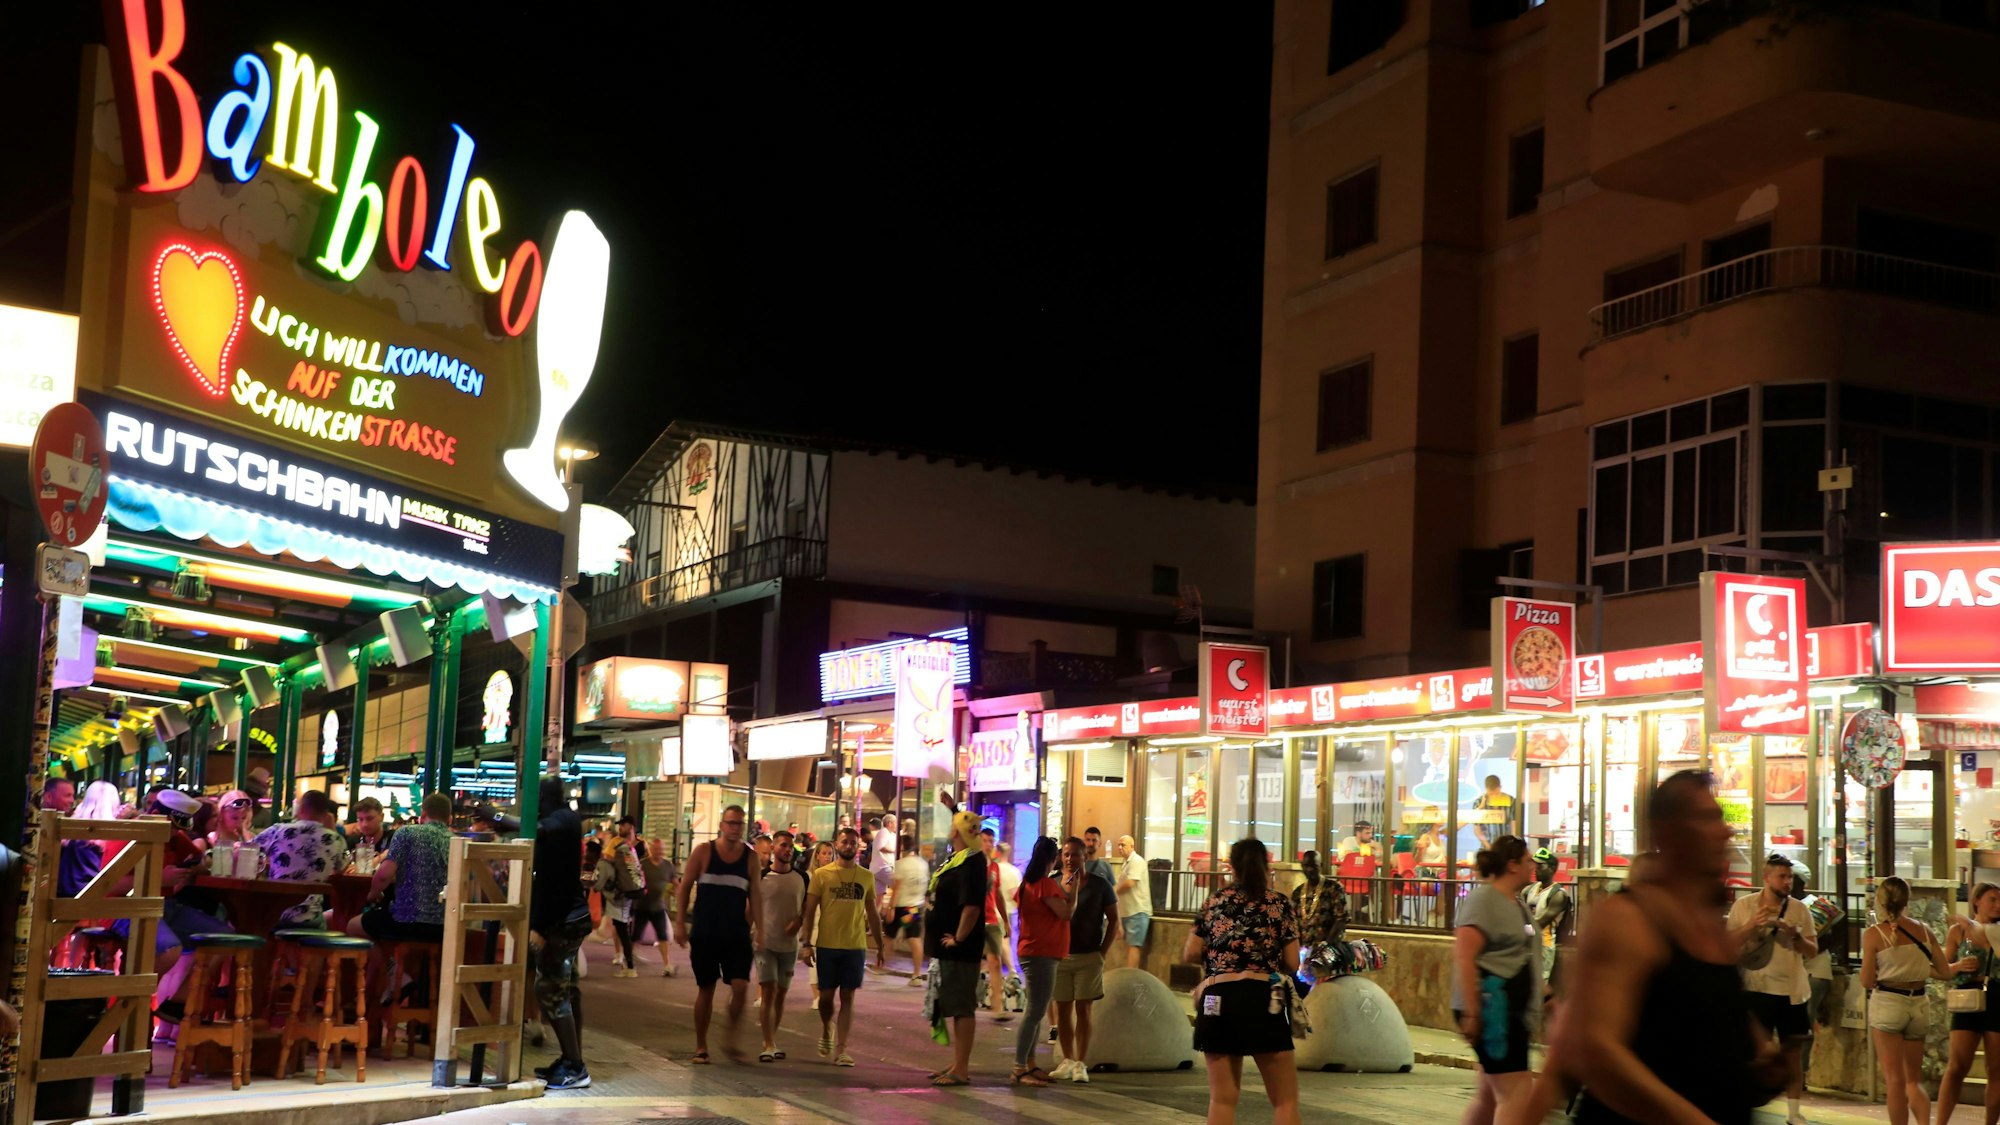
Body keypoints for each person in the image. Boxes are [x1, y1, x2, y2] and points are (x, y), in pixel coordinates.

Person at [1561, 772, 1771, 1124]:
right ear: (1668, 832)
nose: (1725, 832)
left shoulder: (1706, 921)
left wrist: (1762, 1067)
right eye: (1707, 818)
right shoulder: (1628, 919)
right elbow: (1600, 1052)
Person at [1185, 837, 1302, 1125]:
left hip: (1217, 999)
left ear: (1231, 867)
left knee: (1222, 1099)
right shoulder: (1278, 903)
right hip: (1262, 999)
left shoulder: (1214, 902)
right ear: (1266, 866)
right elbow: (1293, 962)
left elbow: (1190, 953)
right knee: (1284, 1100)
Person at [1453, 835, 1541, 1125]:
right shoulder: (1484, 900)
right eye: (1528, 860)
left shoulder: (1517, 904)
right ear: (1513, 865)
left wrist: (1548, 997)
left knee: (1490, 1096)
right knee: (1517, 1092)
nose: (1533, 865)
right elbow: (1465, 956)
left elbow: (1523, 956)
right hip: (1494, 1011)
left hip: (1510, 1011)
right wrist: (1472, 1012)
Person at [1725, 853, 1817, 1125]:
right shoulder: (1744, 905)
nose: (1788, 882)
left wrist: (1795, 935)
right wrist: (1752, 925)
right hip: (1756, 988)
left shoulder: (1800, 910)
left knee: (1792, 1053)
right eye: (1782, 876)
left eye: (1790, 877)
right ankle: (1747, 1106)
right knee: (1754, 1054)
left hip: (1791, 991)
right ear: (1767, 878)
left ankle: (1794, 1112)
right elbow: (1728, 945)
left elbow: (1812, 950)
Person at [1864, 875, 1953, 1125]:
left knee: (1895, 1081)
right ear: (1907, 900)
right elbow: (1945, 972)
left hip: (1889, 1003)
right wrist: (1918, 969)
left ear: (1881, 901)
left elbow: (1866, 980)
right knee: (1914, 1080)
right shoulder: (1924, 931)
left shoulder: (1873, 934)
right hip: (1919, 1004)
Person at [677, 803, 762, 1064]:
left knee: (741, 985)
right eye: (731, 823)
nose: (735, 828)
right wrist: (679, 923)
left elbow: (756, 896)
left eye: (739, 824)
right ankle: (701, 1046)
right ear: (722, 825)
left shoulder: (751, 858)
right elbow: (684, 886)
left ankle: (730, 1037)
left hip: (736, 932)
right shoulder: (704, 852)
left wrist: (761, 929)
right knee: (706, 988)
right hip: (706, 931)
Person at [528, 775, 592, 1090]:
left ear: (543, 798)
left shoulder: (561, 820)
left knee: (550, 991)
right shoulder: (562, 820)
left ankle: (575, 1066)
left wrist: (540, 927)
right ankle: (571, 1059)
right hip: (569, 916)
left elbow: (551, 887)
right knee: (567, 991)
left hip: (562, 920)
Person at [799, 827, 883, 1067]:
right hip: (827, 945)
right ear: (837, 844)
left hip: (855, 946)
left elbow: (873, 913)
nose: (849, 846)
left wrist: (880, 944)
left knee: (848, 996)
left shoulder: (866, 876)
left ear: (858, 847)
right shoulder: (822, 875)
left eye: (853, 842)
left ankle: (842, 1049)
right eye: (845, 841)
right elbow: (810, 911)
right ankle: (827, 1027)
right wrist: (806, 943)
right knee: (825, 997)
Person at [924, 809, 990, 1087]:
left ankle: (961, 1068)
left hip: (961, 949)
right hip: (948, 949)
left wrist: (959, 939)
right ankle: (957, 1063)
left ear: (955, 832)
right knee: (955, 1005)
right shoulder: (960, 857)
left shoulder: (973, 862)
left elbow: (972, 906)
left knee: (962, 1008)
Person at [1006, 836, 1076, 1086]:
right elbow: (1065, 913)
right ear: (1052, 858)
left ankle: (1030, 1063)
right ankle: (1019, 1067)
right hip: (1041, 954)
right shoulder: (1045, 885)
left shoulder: (1028, 884)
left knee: (1035, 1011)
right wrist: (1074, 890)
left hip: (1033, 951)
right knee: (1035, 1012)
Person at [1054, 836, 1115, 1083]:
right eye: (1066, 854)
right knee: (1062, 1009)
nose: (1070, 859)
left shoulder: (1100, 885)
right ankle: (1067, 1059)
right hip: (1060, 956)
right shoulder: (1054, 883)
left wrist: (1102, 952)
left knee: (1084, 1009)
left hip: (1089, 955)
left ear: (1084, 856)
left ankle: (1080, 1062)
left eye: (1075, 854)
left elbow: (1114, 920)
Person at [1938, 882, 2000, 1125]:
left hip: (1997, 996)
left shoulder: (1994, 931)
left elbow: (1981, 933)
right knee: (1957, 1066)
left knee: (1996, 1069)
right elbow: (1943, 969)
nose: (1997, 905)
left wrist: (1969, 925)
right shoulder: (1958, 931)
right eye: (1992, 899)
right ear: (1976, 901)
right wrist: (1958, 966)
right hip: (1967, 997)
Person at [252, 790, 348, 927]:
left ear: (301, 808)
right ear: (326, 815)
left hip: (274, 914)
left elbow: (247, 850)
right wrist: (332, 829)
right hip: (310, 918)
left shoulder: (278, 831)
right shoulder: (335, 839)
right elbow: (341, 868)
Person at [754, 828, 808, 1061]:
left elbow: (808, 906)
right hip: (765, 943)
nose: (787, 850)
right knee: (769, 991)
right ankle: (767, 1044)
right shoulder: (762, 877)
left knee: (781, 995)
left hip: (789, 946)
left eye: (790, 846)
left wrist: (800, 921)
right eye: (783, 845)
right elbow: (751, 908)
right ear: (773, 848)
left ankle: (771, 1040)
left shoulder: (802, 878)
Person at [979, 829, 1015, 1020]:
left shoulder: (994, 867)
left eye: (990, 841)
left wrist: (1006, 922)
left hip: (991, 919)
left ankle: (998, 1007)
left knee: (995, 961)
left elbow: (999, 895)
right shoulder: (972, 865)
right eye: (985, 840)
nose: (988, 844)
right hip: (974, 919)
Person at [1522, 848, 1573, 985]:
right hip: (1525, 942)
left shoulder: (1558, 894)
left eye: (1540, 866)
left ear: (1552, 868)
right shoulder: (1528, 890)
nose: (1536, 869)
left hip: (1544, 944)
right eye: (1535, 865)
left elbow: (1540, 924)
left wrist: (1519, 930)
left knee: (1539, 984)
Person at [889, 831, 929, 982]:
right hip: (915, 906)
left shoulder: (901, 864)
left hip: (902, 906)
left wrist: (891, 908)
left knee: (888, 936)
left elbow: (896, 888)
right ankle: (916, 973)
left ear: (901, 846)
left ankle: (882, 964)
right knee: (914, 938)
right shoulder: (923, 864)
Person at [635, 838, 678, 977]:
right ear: (650, 849)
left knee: (662, 935)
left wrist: (676, 892)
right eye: (655, 849)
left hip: (658, 906)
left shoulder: (668, 866)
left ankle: (667, 965)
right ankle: (628, 961)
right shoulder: (642, 864)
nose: (658, 852)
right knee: (635, 935)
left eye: (660, 849)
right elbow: (634, 881)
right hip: (642, 905)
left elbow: (675, 883)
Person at [1114, 834, 1153, 969]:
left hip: (1137, 911)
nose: (1120, 847)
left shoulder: (1137, 861)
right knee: (1130, 946)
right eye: (1119, 845)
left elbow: (1130, 882)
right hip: (1128, 911)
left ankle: (1131, 976)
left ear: (1132, 846)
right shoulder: (1126, 863)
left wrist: (1115, 891)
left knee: (1134, 946)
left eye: (1123, 845)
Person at [870, 813, 899, 967]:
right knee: (899, 887)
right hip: (883, 868)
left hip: (879, 869)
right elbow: (881, 847)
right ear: (889, 823)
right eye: (895, 822)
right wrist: (895, 851)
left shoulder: (890, 834)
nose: (896, 825)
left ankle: (873, 927)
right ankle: (890, 917)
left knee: (878, 899)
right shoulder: (884, 832)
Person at [345, 796, 394, 866]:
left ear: (381, 817)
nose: (364, 824)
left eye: (370, 819)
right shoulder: (353, 841)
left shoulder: (393, 838)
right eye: (360, 819)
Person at [1472, 777, 1517, 848]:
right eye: (1491, 794)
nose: (1494, 796)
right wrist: (1489, 847)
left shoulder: (1511, 801)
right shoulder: (1479, 802)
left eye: (1496, 793)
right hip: (1486, 847)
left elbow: (1514, 826)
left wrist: (1513, 844)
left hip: (1506, 846)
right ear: (1486, 789)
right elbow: (1477, 830)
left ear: (1500, 787)